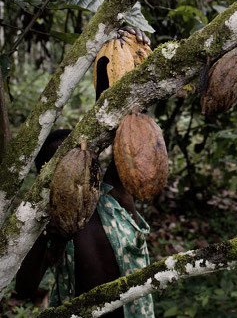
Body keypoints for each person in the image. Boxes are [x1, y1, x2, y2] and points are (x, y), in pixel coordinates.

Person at [15, 28, 156, 317]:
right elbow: (25, 289)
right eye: (58, 167)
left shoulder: (114, 200)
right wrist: (48, 239)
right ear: (46, 175)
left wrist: (120, 56)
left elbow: (124, 129)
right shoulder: (50, 226)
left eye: (76, 161)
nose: (73, 174)